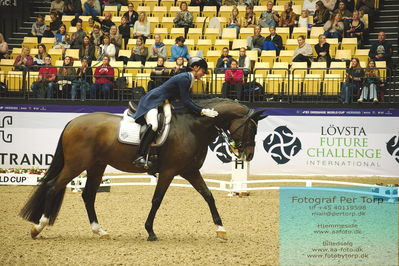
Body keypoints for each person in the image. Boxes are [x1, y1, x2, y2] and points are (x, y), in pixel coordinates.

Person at [131, 57, 218, 167]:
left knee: (170, 120)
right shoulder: (185, 79)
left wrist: (203, 107)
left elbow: (188, 100)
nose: (203, 74)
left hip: (164, 101)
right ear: (196, 67)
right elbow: (186, 101)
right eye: (203, 71)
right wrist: (202, 111)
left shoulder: (188, 78)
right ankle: (140, 156)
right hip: (153, 101)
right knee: (154, 125)